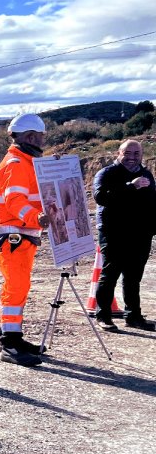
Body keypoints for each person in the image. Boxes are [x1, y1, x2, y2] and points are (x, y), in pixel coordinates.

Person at [0, 113, 51, 366]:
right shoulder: (16, 164)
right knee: (15, 288)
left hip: (21, 235)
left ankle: (14, 337)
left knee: (19, 288)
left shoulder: (25, 162)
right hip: (14, 235)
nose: (42, 142)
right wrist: (37, 218)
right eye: (39, 137)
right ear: (30, 136)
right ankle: (9, 344)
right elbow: (15, 202)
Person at [92, 139, 156, 331]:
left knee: (133, 276)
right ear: (118, 154)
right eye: (127, 153)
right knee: (110, 274)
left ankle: (133, 316)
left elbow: (153, 202)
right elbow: (100, 197)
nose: (131, 157)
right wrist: (131, 186)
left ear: (141, 155)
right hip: (114, 232)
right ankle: (103, 315)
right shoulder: (107, 173)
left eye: (136, 153)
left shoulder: (146, 174)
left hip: (140, 233)